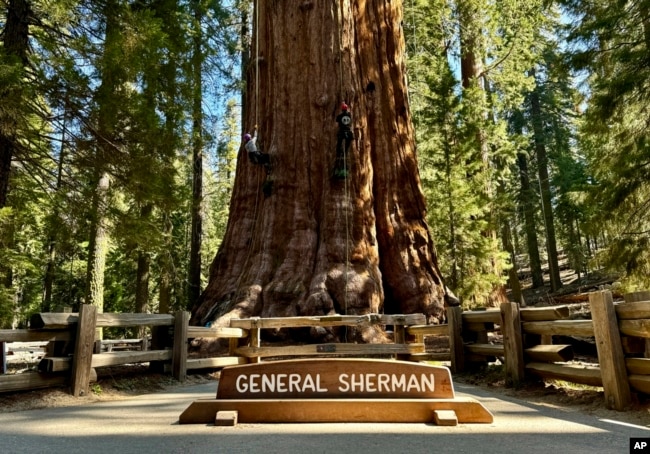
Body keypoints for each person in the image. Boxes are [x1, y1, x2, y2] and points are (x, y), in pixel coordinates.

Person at [335, 103, 354, 178]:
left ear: (342, 109)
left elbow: (337, 121)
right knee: (346, 149)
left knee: (339, 148)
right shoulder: (349, 115)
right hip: (349, 133)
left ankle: (339, 167)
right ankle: (344, 152)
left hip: (342, 133)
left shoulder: (340, 116)